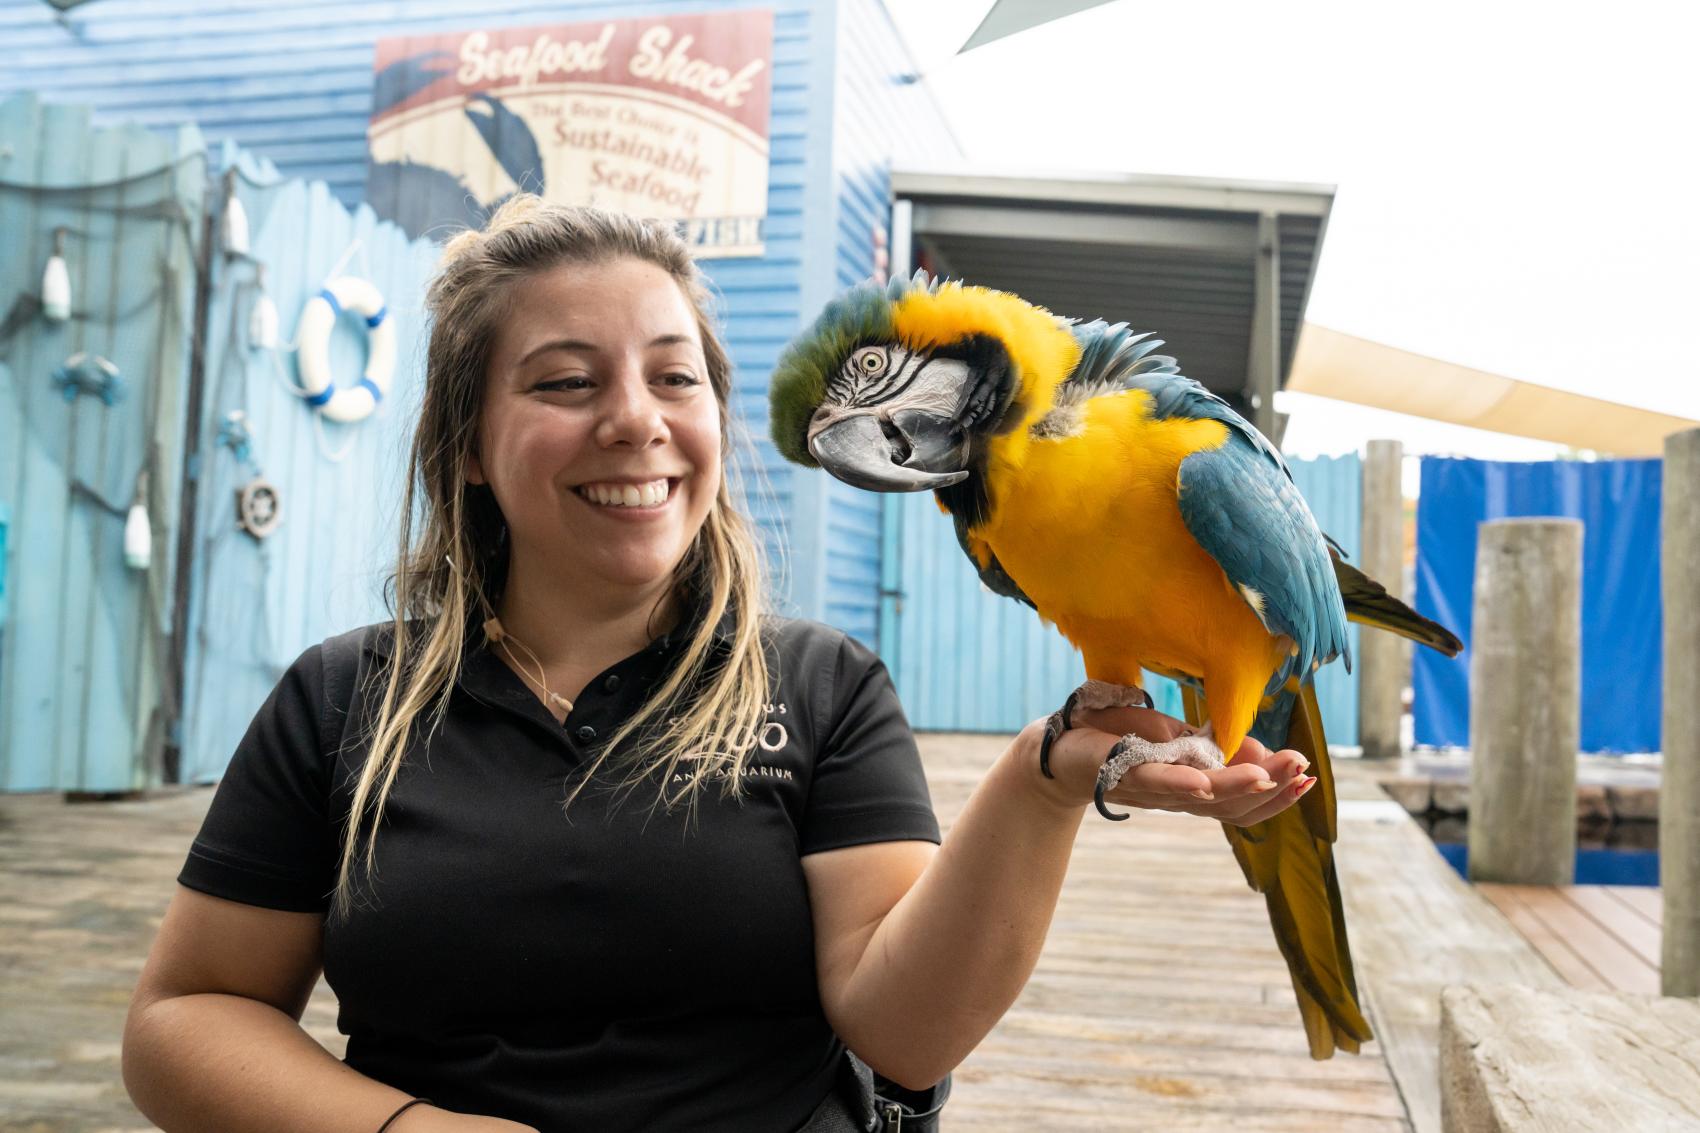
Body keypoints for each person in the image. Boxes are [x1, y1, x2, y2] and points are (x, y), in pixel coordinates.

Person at [119, 196, 1315, 1133]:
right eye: (564, 380)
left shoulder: (824, 686)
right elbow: (183, 1017)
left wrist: (1046, 776)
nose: (634, 419)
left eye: (672, 374)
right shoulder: (342, 698)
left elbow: (900, 1029)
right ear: (467, 447)